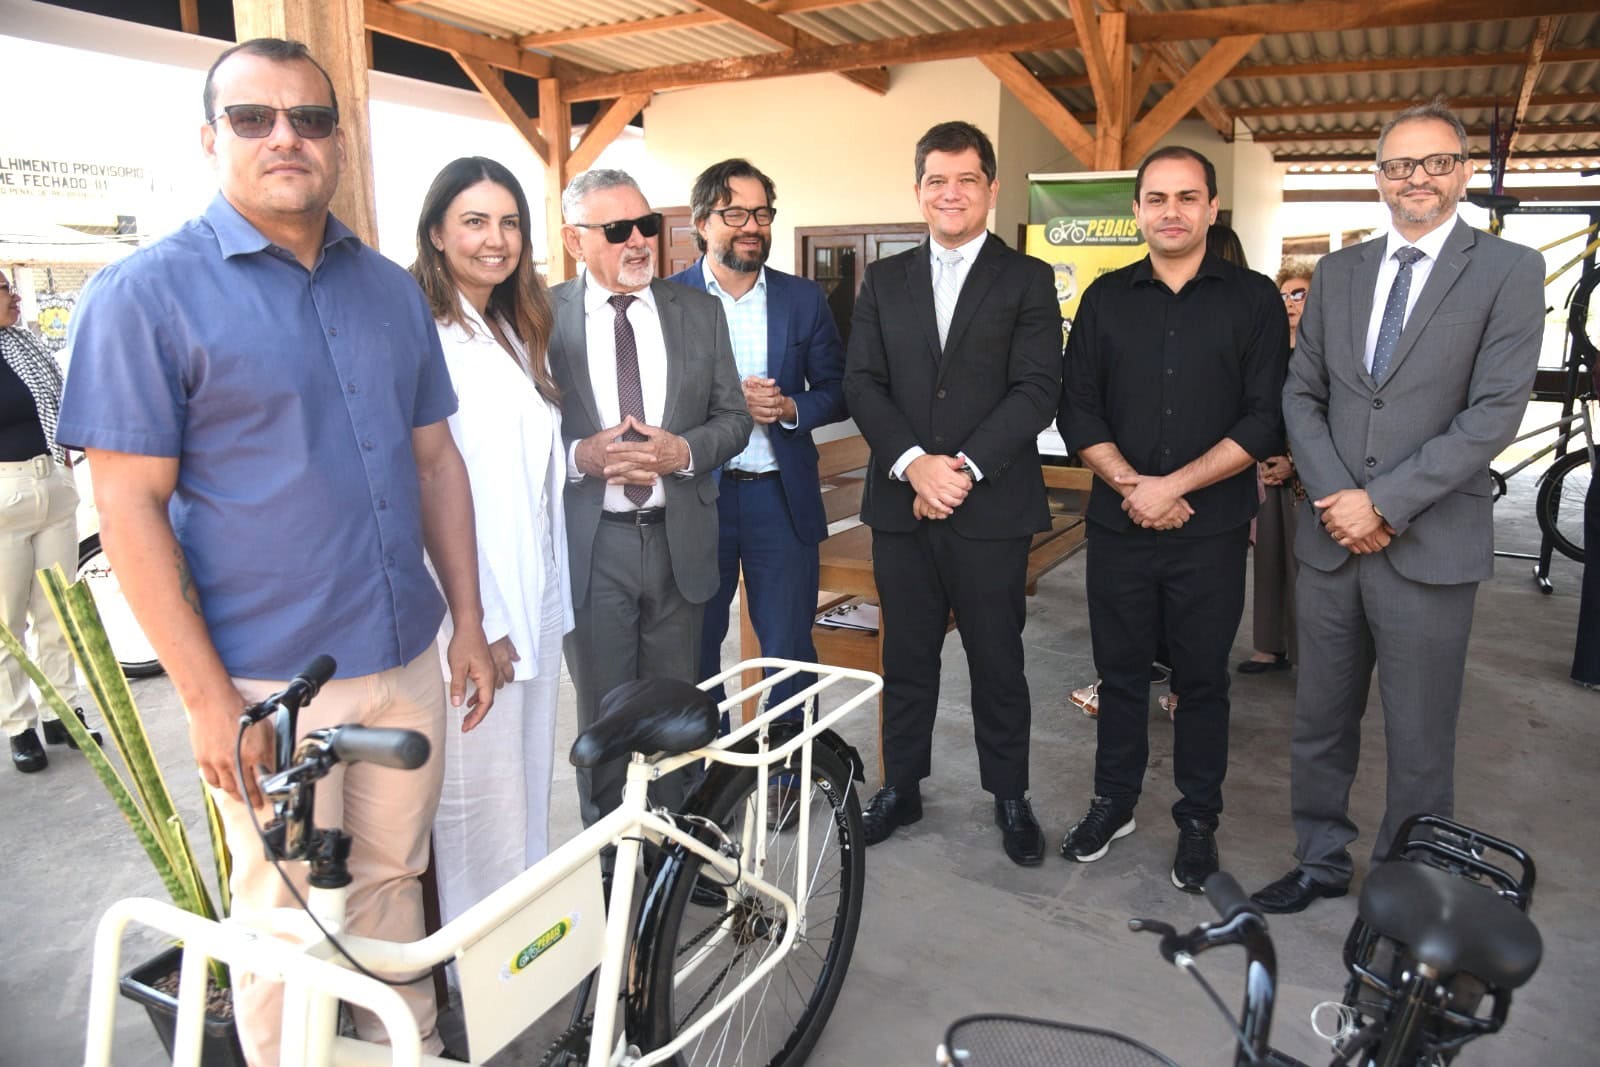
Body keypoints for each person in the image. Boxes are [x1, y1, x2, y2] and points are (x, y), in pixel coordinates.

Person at [56, 39, 496, 1063]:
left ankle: (407, 1049)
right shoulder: (143, 294)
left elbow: (437, 464)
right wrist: (207, 699)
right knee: (283, 925)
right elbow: (128, 510)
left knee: (392, 886)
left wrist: (470, 623)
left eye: (309, 118)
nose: (285, 137)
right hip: (271, 687)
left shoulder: (388, 289)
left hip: (404, 660)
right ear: (210, 139)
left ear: (339, 140)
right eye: (254, 118)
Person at [1251, 100, 1545, 914]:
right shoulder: (1340, 272)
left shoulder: (1509, 270)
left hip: (1430, 543)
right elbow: (1301, 393)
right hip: (1331, 540)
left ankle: (1404, 883)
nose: (1417, 177)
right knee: (1319, 719)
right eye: (1399, 164)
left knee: (1420, 737)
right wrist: (1338, 500)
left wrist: (1381, 503)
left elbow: (1494, 412)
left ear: (1464, 172)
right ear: (1379, 177)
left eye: (1436, 161)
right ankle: (1318, 859)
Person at [1057, 146, 1287, 892]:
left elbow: (1265, 417)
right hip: (1119, 527)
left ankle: (1197, 821)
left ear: (1212, 208)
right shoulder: (1105, 298)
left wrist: (1175, 486)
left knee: (1202, 681)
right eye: (1156, 198)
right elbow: (1077, 408)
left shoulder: (1252, 300)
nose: (1171, 211)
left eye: (1188, 197)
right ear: (1137, 211)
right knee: (1120, 675)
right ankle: (1114, 803)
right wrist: (1136, 487)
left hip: (1210, 531)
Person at [843, 121, 1062, 867]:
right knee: (906, 658)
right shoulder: (885, 280)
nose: (951, 193)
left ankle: (1010, 795)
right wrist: (914, 465)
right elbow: (862, 383)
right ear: (918, 191)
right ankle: (901, 785)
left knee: (998, 661)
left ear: (991, 189)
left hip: (990, 507)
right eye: (937, 180)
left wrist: (959, 468)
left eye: (967, 179)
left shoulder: (1027, 279)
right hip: (902, 507)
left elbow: (1037, 389)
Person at [547, 168, 752, 826]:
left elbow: (734, 419)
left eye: (646, 225)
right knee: (604, 721)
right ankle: (613, 857)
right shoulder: (538, 318)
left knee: (676, 716)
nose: (638, 241)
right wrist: (579, 457)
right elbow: (515, 435)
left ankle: (675, 854)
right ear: (575, 240)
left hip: (677, 542)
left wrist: (681, 452)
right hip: (593, 548)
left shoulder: (698, 312)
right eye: (617, 230)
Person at [410, 157, 573, 927]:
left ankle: (525, 942)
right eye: (474, 221)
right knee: (478, 799)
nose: (495, 239)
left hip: (533, 590)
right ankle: (476, 962)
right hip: (473, 605)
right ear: (437, 234)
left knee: (527, 782)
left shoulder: (513, 326)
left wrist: (542, 601)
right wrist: (485, 619)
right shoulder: (428, 335)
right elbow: (436, 482)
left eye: (509, 222)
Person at [667, 159, 847, 757]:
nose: (752, 225)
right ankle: (706, 771)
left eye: (762, 213)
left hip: (779, 498)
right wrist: (720, 408)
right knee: (693, 646)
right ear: (701, 223)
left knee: (790, 648)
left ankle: (788, 774)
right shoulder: (668, 299)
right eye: (735, 213)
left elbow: (837, 388)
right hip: (698, 499)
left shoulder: (802, 298)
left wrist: (790, 406)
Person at [0, 269, 99, 772]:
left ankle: (62, 712)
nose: (15, 296)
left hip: (53, 485)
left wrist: (64, 468)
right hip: (5, 496)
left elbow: (61, 410)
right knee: (8, 622)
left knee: (58, 611)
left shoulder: (27, 345)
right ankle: (19, 726)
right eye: (4, 289)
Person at [1240, 262, 1316, 675]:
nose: (1289, 302)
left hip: (1308, 475)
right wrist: (1259, 458)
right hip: (1264, 468)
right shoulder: (1267, 348)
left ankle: (1308, 656)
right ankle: (1268, 648)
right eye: (1284, 295)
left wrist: (1294, 462)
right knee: (1267, 561)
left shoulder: (1324, 351)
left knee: (1304, 565)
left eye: (1299, 294)